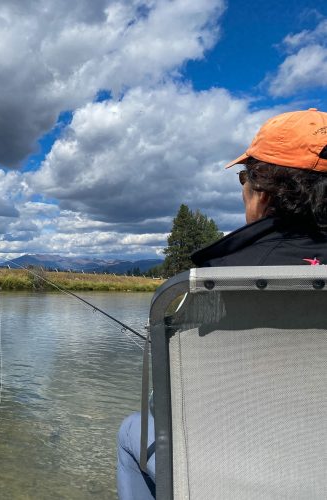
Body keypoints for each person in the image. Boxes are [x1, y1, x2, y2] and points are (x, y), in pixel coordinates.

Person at [117, 107, 327, 499]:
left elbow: (170, 405)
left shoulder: (221, 277)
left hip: (240, 471)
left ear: (264, 190)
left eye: (244, 177)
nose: (244, 187)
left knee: (134, 428)